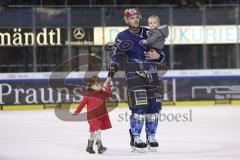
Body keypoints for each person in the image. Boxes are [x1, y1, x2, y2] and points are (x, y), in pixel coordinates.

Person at [106, 8, 164, 152]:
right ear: (126, 20)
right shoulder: (122, 36)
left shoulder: (149, 32)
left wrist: (159, 57)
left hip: (152, 74)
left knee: (154, 108)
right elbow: (116, 57)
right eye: (131, 18)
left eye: (137, 17)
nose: (135, 20)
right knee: (139, 107)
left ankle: (151, 136)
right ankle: (136, 136)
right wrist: (110, 76)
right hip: (135, 74)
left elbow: (160, 51)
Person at [73, 76, 112, 154]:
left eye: (100, 84)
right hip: (92, 117)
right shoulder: (88, 95)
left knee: (93, 132)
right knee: (98, 129)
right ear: (91, 86)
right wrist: (77, 111)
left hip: (100, 116)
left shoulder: (102, 93)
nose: (99, 86)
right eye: (97, 85)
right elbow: (82, 104)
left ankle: (89, 147)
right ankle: (99, 145)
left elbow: (109, 94)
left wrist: (108, 86)